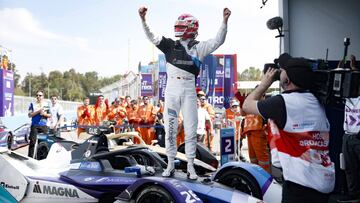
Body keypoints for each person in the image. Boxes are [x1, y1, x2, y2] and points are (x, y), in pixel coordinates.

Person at [139, 6, 231, 179]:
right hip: (172, 91)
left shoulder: (200, 48)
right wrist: (144, 20)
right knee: (170, 130)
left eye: (181, 27)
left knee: (190, 130)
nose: (178, 30)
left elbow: (218, 40)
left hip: (189, 91)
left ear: (191, 29)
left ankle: (191, 167)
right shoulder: (169, 45)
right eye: (178, 26)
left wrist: (224, 22)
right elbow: (152, 36)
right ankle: (170, 165)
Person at [243, 56, 335, 203]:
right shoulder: (316, 99)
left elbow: (246, 105)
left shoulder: (282, 103)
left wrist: (264, 84)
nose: (279, 72)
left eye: (282, 70)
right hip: (322, 180)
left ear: (287, 80)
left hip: (300, 187)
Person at [342, 54, 360, 201]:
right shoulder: (347, 97)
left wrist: (354, 67)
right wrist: (341, 67)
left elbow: (356, 76)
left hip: (359, 137)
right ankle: (354, 195)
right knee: (349, 168)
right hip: (347, 136)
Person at [241, 94, 270, 172]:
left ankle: (265, 179)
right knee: (253, 158)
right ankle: (256, 175)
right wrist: (242, 103)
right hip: (249, 133)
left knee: (262, 159)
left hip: (259, 133)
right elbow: (243, 113)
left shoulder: (264, 104)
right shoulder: (250, 104)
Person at [28, 90, 51, 158]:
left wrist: (44, 114)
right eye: (37, 95)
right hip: (34, 125)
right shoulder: (32, 104)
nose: (38, 96)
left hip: (43, 126)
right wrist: (38, 111)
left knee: (42, 143)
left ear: (43, 96)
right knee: (32, 142)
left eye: (40, 95)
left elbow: (49, 115)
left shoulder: (46, 104)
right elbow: (29, 115)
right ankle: (30, 158)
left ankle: (40, 158)